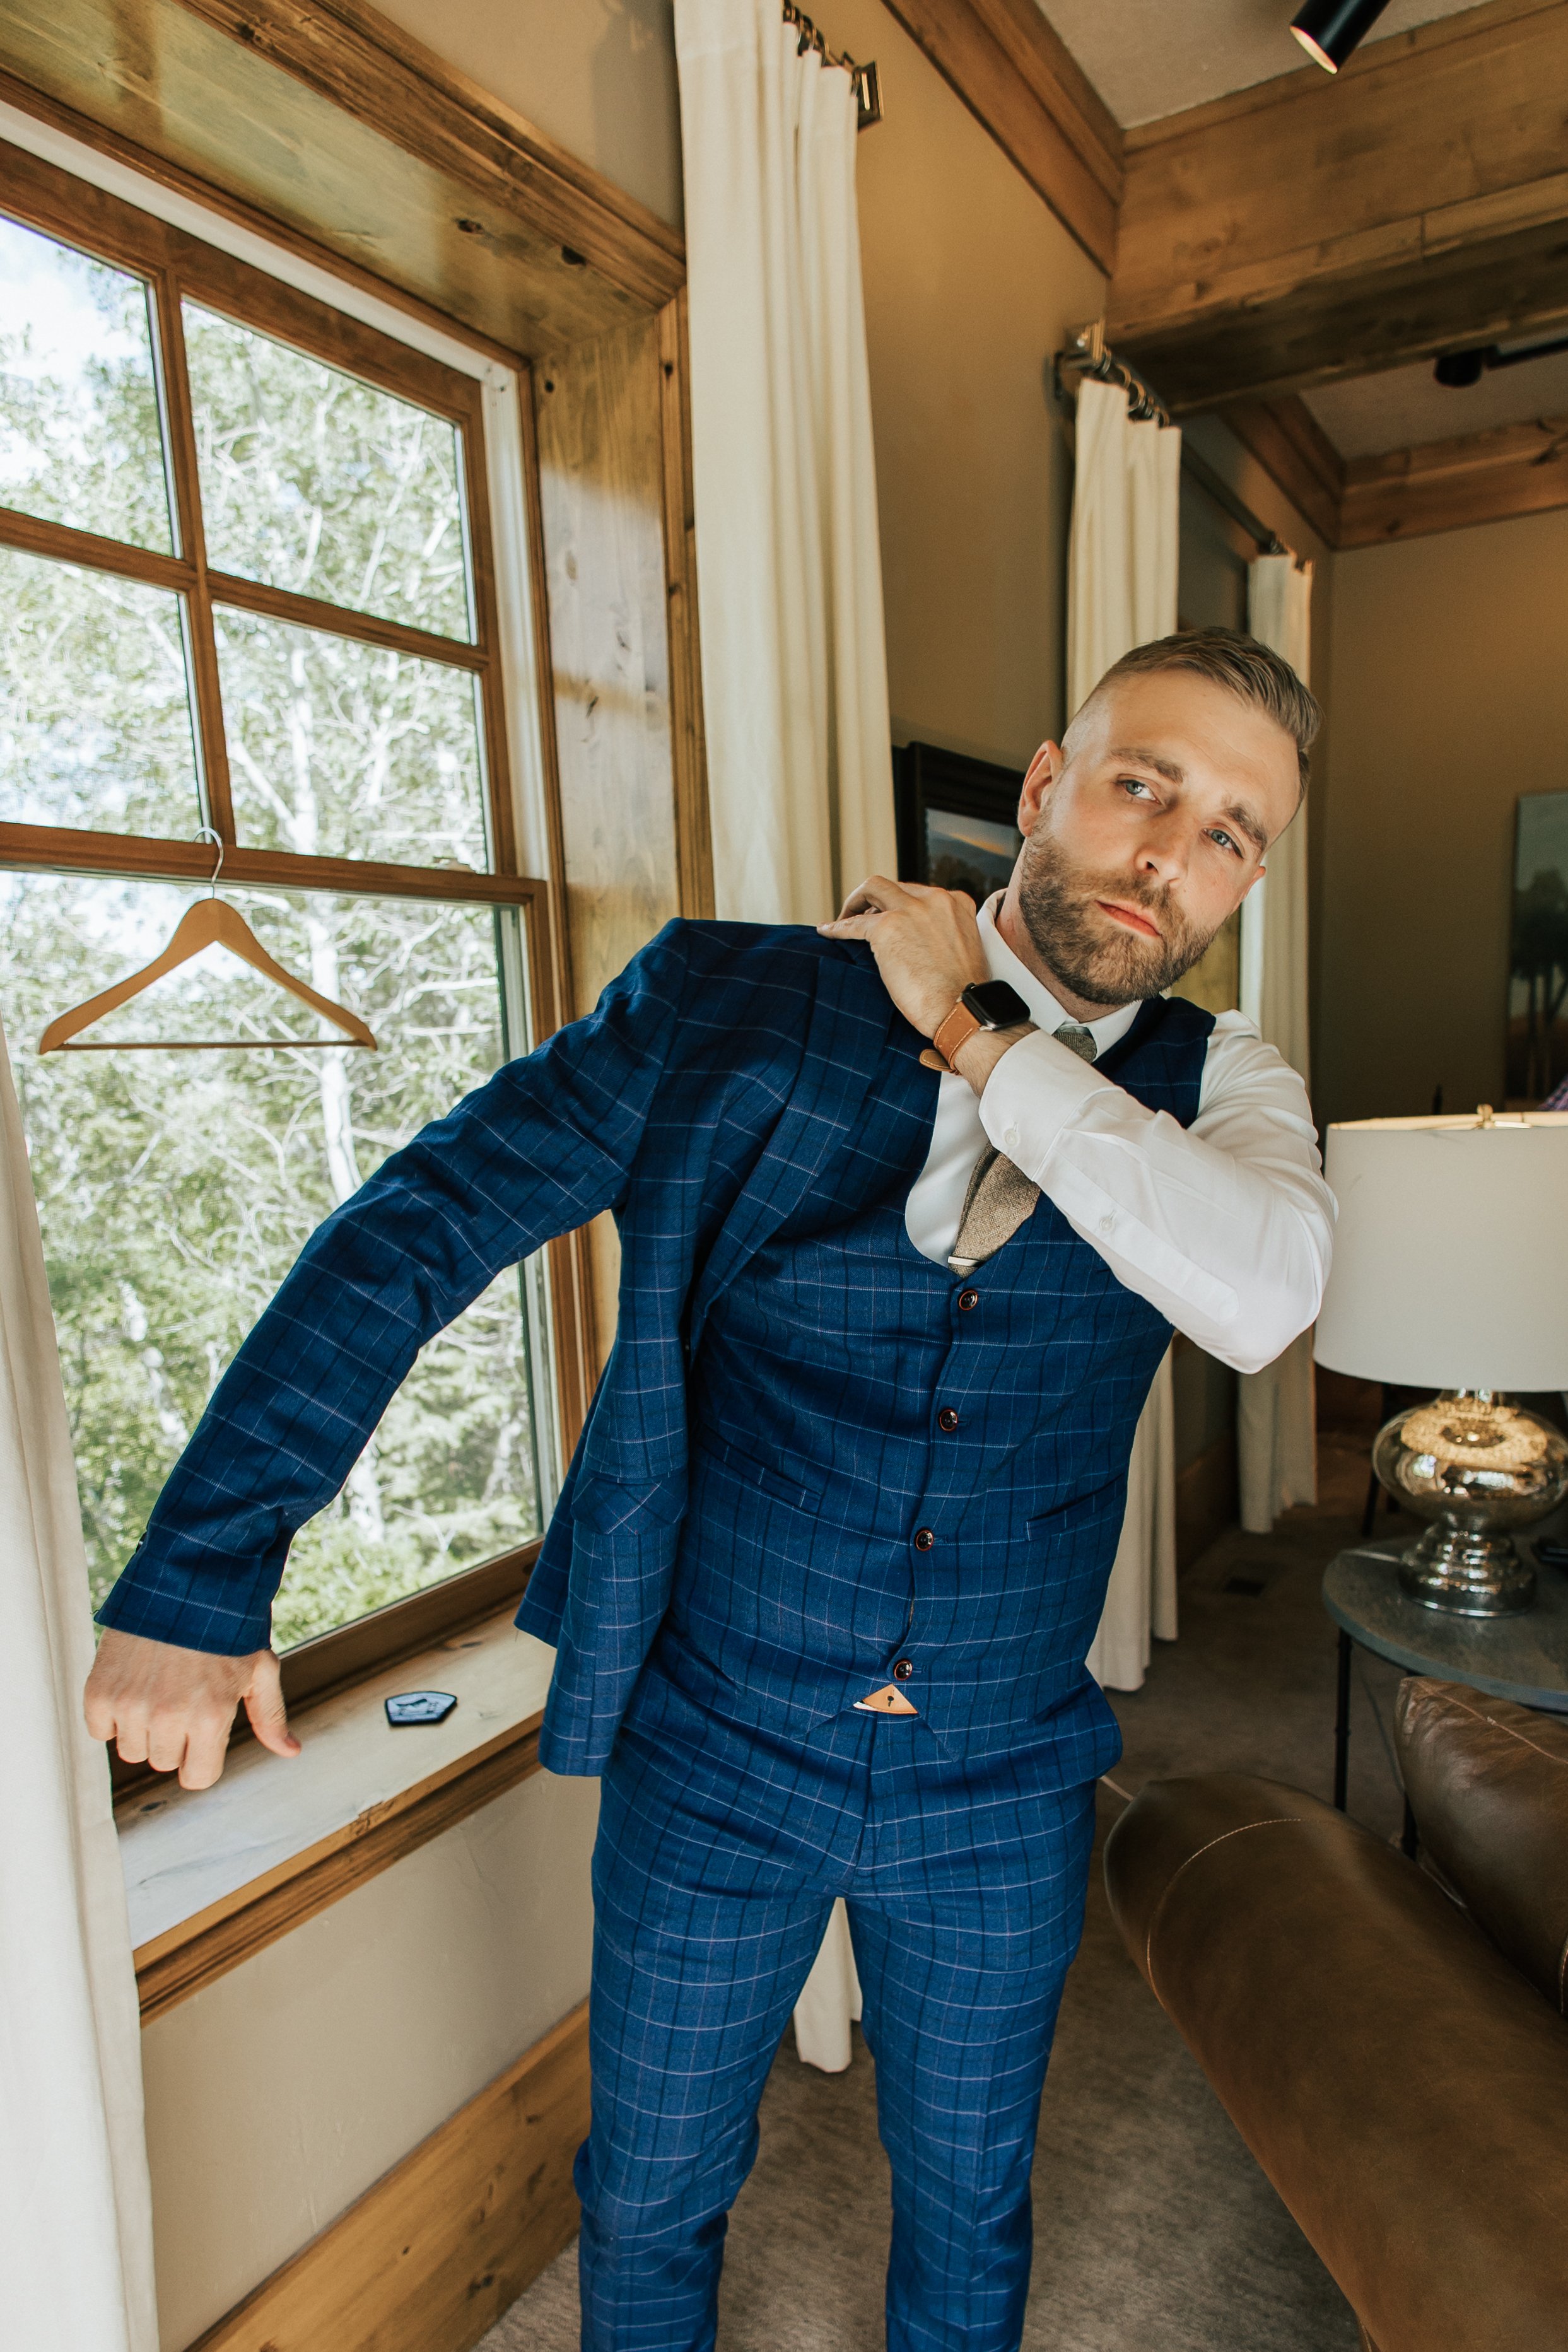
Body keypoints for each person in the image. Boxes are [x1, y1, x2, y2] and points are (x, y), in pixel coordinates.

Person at [86, 626, 1333, 2352]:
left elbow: (1266, 1298)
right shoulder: (727, 999)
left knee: (970, 2202)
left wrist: (974, 1042)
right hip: (720, 1741)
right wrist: (194, 1575)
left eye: (1230, 833)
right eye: (1145, 786)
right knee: (652, 2189)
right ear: (1048, 789)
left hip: (1000, 1776)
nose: (1169, 855)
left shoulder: (1230, 1088)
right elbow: (419, 1226)